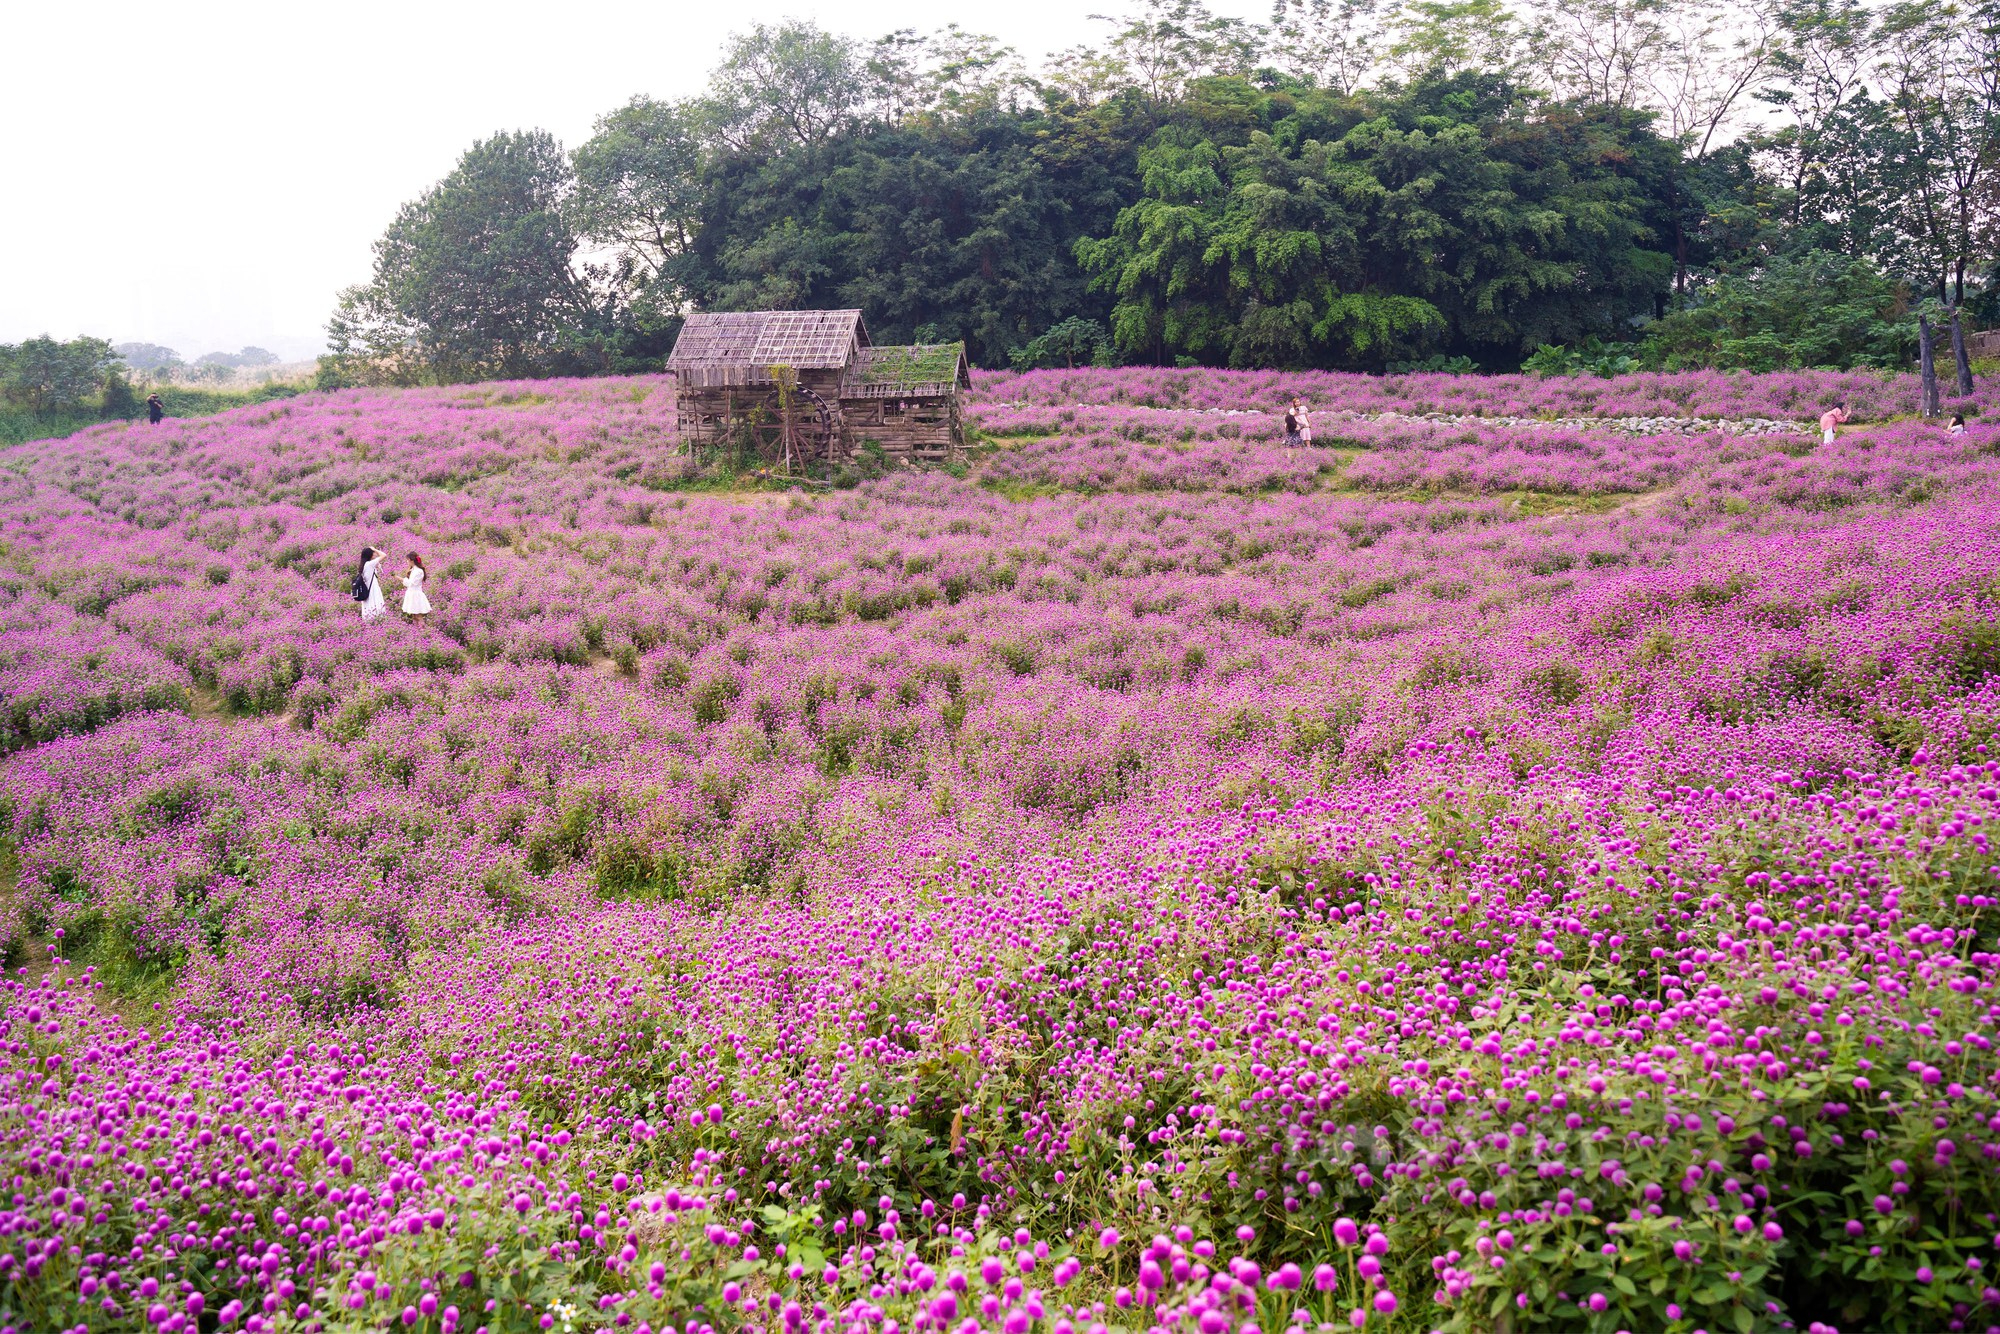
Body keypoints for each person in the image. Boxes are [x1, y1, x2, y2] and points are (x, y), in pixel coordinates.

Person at [357, 547, 386, 623]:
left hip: (367, 588)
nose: (375, 554)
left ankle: (370, 622)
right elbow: (384, 555)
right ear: (369, 555)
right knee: (375, 603)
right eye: (373, 552)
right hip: (372, 588)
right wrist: (375, 549)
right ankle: (376, 621)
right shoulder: (369, 564)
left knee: (369, 605)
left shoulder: (364, 564)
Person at [401, 552, 431, 618]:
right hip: (411, 594)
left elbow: (411, 583)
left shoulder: (418, 571)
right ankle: (417, 628)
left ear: (411, 560)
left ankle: (422, 628)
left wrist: (400, 579)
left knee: (418, 617)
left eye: (407, 560)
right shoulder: (413, 570)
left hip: (416, 595)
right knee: (414, 617)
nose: (407, 561)